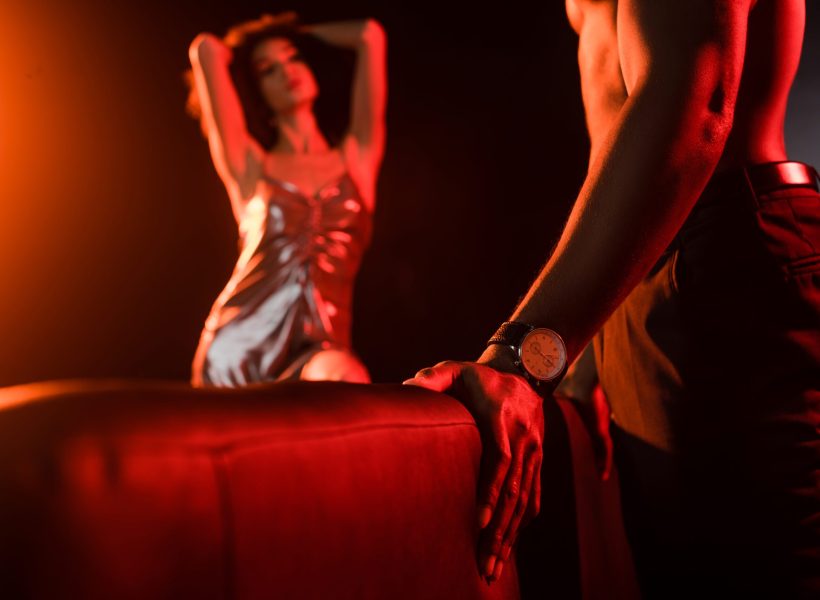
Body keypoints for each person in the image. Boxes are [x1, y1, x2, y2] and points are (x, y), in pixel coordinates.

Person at [406, 0, 819, 596]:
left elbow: (694, 104)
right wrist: (593, 337)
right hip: (651, 270)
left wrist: (523, 359)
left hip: (721, 252)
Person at [186, 13, 387, 387]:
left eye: (293, 58)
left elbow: (369, 36)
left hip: (319, 351)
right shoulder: (250, 168)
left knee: (348, 380)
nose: (286, 71)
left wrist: (298, 34)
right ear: (256, 91)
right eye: (268, 70)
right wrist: (247, 49)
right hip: (238, 349)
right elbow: (206, 50)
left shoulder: (356, 161)